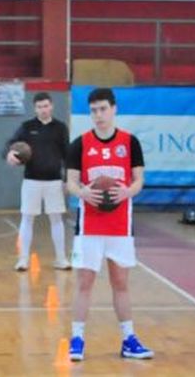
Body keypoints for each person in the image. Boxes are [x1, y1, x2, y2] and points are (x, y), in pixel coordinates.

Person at [64, 87, 153, 362]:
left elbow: (139, 180)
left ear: (114, 109)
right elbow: (70, 183)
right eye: (93, 110)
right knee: (85, 283)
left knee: (120, 283)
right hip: (89, 226)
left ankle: (129, 340)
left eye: (103, 109)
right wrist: (82, 193)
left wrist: (128, 192)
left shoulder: (130, 142)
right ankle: (77, 339)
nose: (98, 115)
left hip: (120, 227)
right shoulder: (80, 143)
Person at [4, 92, 72, 271]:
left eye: (46, 106)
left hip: (54, 181)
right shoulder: (27, 127)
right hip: (31, 180)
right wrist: (9, 153)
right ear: (35, 108)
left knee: (56, 219)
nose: (43, 109)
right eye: (40, 107)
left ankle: (61, 258)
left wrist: (67, 179)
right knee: (27, 219)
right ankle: (23, 260)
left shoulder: (60, 128)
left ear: (52, 106)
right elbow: (10, 143)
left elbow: (68, 155)